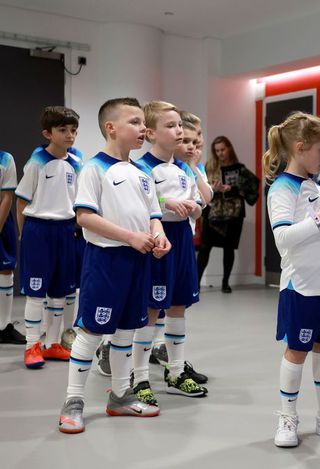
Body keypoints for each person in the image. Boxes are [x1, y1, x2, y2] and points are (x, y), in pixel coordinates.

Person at [58, 97, 170, 433]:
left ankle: (120, 395)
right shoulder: (95, 168)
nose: (143, 129)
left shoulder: (143, 172)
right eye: (135, 122)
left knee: (126, 330)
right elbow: (85, 217)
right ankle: (73, 400)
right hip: (106, 261)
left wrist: (159, 235)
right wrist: (130, 237)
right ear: (111, 127)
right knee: (92, 331)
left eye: (143, 123)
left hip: (138, 262)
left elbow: (154, 215)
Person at [263, 112, 320, 448]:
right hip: (302, 287)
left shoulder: (315, 186)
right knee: (297, 350)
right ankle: (287, 417)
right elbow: (283, 237)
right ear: (300, 147)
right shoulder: (282, 189)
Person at [132, 101, 208, 405]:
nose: (178, 131)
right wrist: (166, 203)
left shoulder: (183, 169)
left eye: (180, 125)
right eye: (170, 126)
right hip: (156, 241)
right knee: (150, 311)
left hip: (182, 240)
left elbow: (199, 206)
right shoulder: (140, 168)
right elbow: (139, 207)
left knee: (179, 307)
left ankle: (176, 372)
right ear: (150, 133)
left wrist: (194, 207)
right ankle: (139, 379)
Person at [16, 106, 82, 368]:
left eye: (74, 130)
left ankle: (53, 343)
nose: (70, 135)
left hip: (66, 231)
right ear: (48, 133)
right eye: (63, 130)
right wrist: (25, 236)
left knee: (60, 293)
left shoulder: (76, 162)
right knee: (35, 293)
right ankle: (32, 344)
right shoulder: (37, 163)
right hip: (38, 230)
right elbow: (21, 203)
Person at [198, 136, 257, 293]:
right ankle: (195, 283)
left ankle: (225, 283)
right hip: (212, 213)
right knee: (204, 247)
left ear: (229, 148)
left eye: (222, 149)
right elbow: (200, 186)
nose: (220, 153)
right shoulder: (209, 166)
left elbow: (252, 187)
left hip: (234, 214)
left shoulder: (240, 169)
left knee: (228, 248)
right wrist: (214, 189)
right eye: (217, 151)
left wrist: (233, 189)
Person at [0, 149, 21, 344]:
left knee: (5, 270)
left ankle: (3, 326)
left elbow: (7, 196)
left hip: (2, 220)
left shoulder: (6, 158)